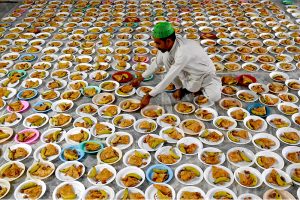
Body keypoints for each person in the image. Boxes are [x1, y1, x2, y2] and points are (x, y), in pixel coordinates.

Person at [131, 21, 222, 108]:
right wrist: (140, 78)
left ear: (168, 41)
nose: (156, 46)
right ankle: (182, 88)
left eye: (158, 43)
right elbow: (157, 64)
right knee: (166, 57)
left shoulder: (183, 51)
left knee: (214, 97)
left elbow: (170, 76)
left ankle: (209, 84)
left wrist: (149, 95)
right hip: (187, 71)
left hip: (204, 74)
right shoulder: (169, 46)